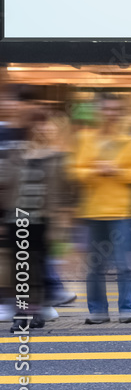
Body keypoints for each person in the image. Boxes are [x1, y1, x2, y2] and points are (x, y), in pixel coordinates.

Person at [71, 93, 131, 325]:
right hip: (93, 211)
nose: (110, 114)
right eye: (106, 110)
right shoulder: (85, 139)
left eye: (115, 110)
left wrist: (116, 170)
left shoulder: (130, 141)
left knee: (124, 265)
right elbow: (76, 172)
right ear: (98, 113)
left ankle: (127, 310)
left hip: (122, 211)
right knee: (95, 267)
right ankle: (98, 311)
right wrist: (96, 170)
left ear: (120, 114)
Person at [4, 110, 71, 330]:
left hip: (42, 220)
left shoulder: (57, 157)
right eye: (38, 124)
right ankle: (22, 314)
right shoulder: (16, 154)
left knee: (39, 268)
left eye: (47, 125)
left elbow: (61, 194)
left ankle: (36, 312)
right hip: (17, 218)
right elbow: (6, 186)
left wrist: (59, 224)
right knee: (21, 268)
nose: (42, 129)